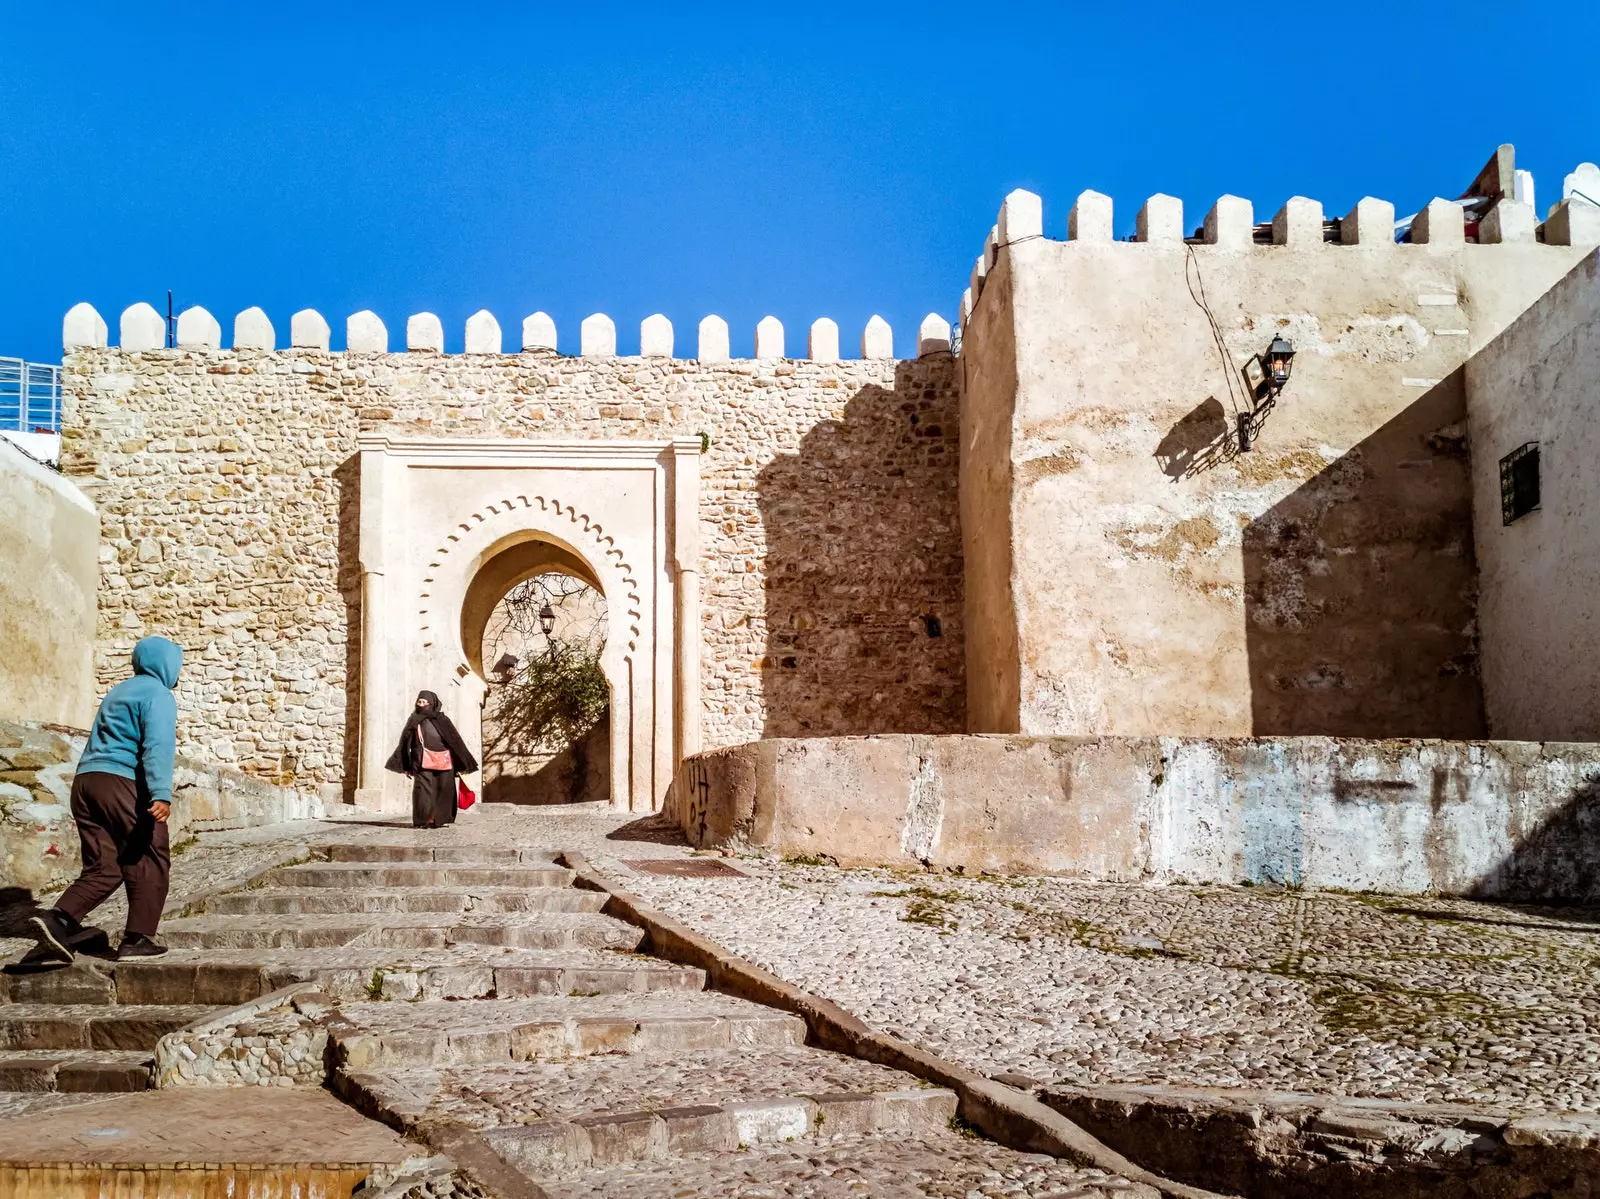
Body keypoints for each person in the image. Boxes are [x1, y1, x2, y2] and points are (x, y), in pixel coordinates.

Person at [30, 636, 183, 963]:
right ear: (166, 664)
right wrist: (161, 794)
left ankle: (59, 920)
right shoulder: (159, 694)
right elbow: (158, 745)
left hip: (86, 782)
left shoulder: (118, 691)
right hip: (120, 781)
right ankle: (138, 938)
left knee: (107, 864)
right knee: (150, 851)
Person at [385, 690, 479, 829]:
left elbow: (455, 742)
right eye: (419, 702)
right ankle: (423, 820)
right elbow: (405, 743)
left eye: (425, 702)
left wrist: (463, 762)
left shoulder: (442, 720)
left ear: (432, 704)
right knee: (422, 791)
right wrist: (406, 765)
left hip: (445, 762)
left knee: (443, 791)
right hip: (421, 761)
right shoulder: (414, 719)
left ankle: (438, 819)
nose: (421, 705)